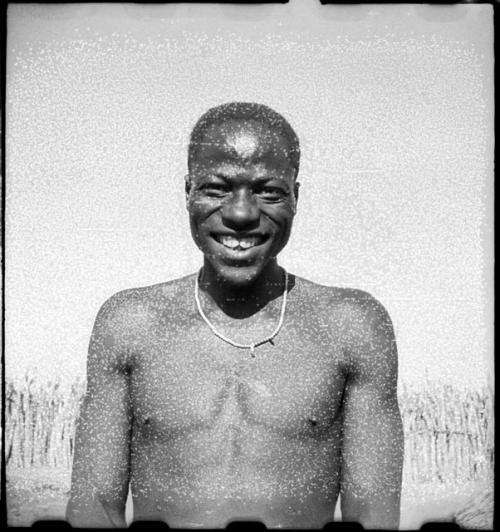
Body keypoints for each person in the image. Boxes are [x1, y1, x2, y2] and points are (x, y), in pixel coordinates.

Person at [66, 102, 404, 529]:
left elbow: (373, 515)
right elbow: (94, 506)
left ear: (296, 197)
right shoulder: (132, 324)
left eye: (268, 191)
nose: (241, 214)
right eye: (216, 188)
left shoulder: (351, 326)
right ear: (187, 191)